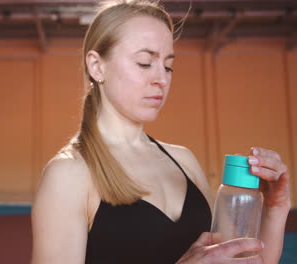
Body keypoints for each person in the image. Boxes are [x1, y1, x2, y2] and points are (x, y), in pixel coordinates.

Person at [31, 0, 291, 263]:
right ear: (97, 67)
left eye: (168, 66)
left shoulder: (184, 161)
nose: (162, 79)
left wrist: (275, 208)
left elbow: (243, 260)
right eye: (145, 63)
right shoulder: (69, 175)